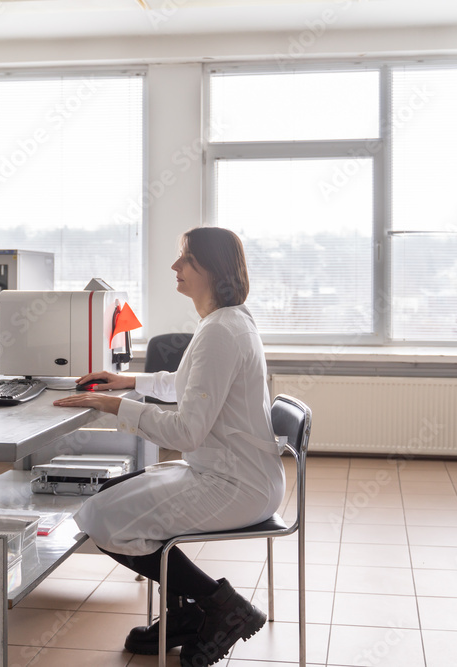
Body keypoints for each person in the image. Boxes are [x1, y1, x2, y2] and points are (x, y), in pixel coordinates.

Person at [53, 226, 284, 667]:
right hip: (233, 473)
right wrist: (129, 382)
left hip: (234, 484)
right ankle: (188, 617)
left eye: (186, 259)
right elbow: (189, 385)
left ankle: (220, 607)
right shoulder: (228, 321)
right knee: (108, 500)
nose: (175, 267)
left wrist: (116, 405)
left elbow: (185, 433)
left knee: (104, 518)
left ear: (212, 269)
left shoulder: (221, 331)